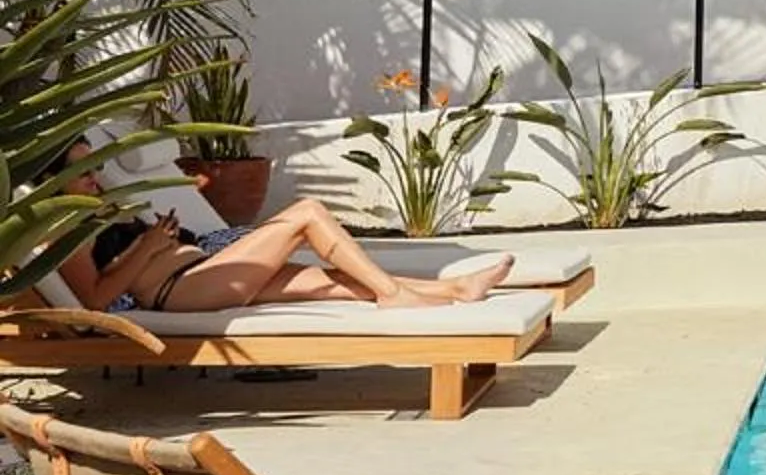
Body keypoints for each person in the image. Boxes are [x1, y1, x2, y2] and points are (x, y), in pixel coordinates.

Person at [53, 148, 511, 314]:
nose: (94, 176)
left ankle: (456, 288)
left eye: (94, 165)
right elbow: (97, 299)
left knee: (333, 284)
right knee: (307, 213)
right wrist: (150, 245)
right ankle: (395, 296)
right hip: (180, 290)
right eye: (82, 171)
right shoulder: (64, 229)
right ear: (54, 182)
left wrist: (164, 239)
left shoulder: (104, 211)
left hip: (206, 269)